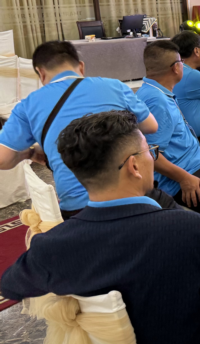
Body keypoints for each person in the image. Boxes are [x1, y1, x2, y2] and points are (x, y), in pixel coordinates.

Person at [0, 110, 200, 344]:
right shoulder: (192, 230)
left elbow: (11, 284)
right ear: (134, 166)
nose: (152, 158)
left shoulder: (53, 246)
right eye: (151, 152)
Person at [0, 41, 158, 218]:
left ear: (40, 72)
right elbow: (151, 126)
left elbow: (2, 159)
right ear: (81, 67)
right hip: (133, 194)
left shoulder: (28, 105)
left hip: (78, 208)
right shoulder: (115, 86)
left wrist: (29, 153)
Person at [137, 40, 200, 207]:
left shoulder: (152, 90)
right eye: (181, 62)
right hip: (187, 174)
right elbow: (150, 153)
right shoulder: (157, 102)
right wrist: (184, 178)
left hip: (197, 160)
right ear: (176, 67)